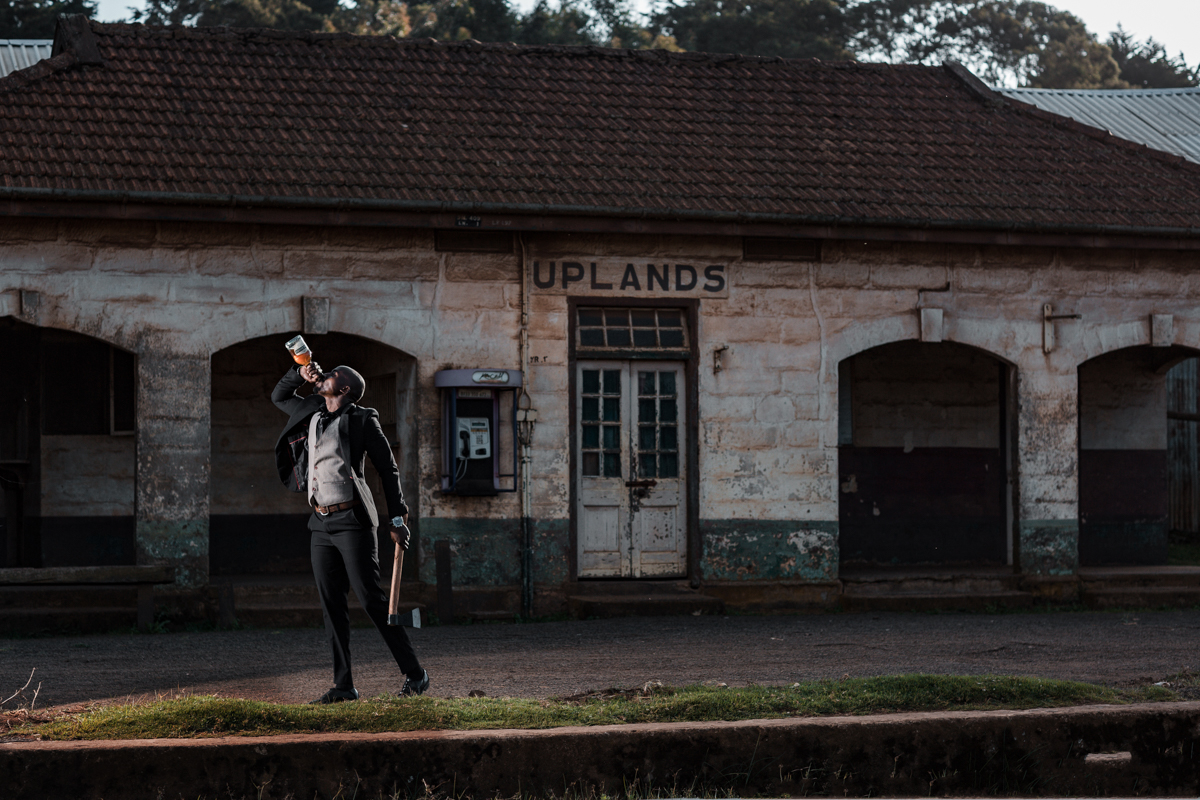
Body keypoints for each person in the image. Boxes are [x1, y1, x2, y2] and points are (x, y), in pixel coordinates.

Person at [271, 360, 429, 702]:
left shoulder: (362, 419)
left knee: (372, 601)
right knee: (331, 605)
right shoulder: (310, 409)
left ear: (343, 390)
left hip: (353, 521)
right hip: (320, 522)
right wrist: (299, 374)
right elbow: (279, 394)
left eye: (333, 375)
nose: (325, 374)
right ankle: (344, 686)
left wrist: (398, 519)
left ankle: (416, 674)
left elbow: (388, 470)